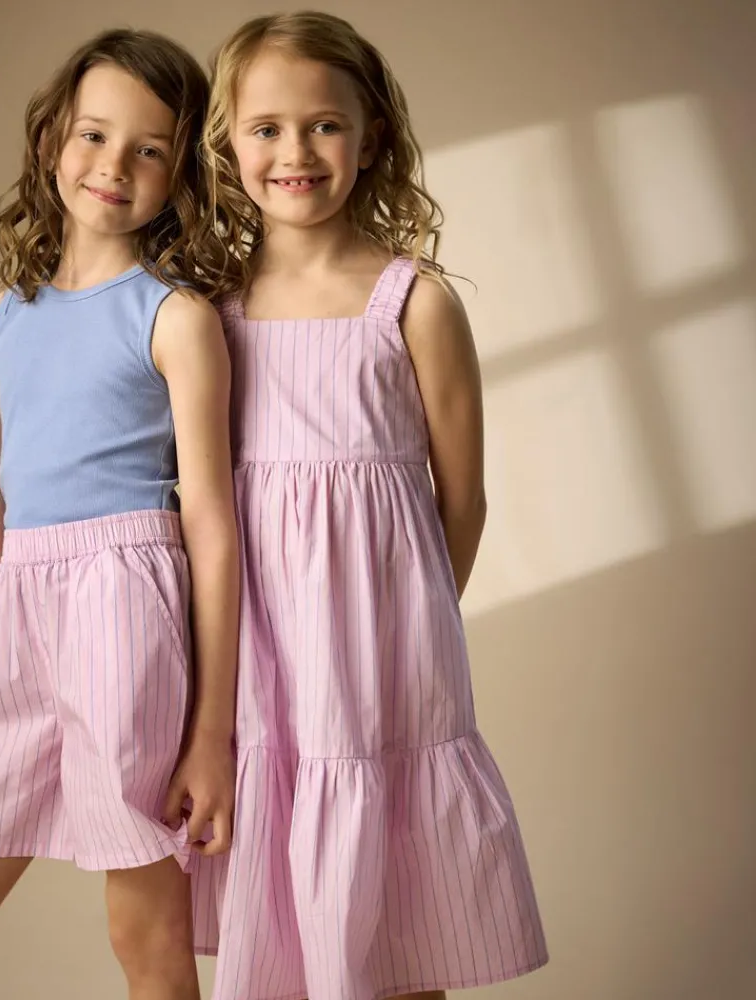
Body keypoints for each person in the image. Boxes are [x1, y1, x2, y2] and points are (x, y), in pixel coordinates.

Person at [187, 12, 548, 1000]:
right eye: (266, 129)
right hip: (263, 663)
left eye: (323, 125)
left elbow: (461, 499)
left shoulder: (414, 303)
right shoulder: (211, 314)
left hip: (385, 659)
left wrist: (404, 623)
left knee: (398, 927)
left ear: (370, 134)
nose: (295, 153)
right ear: (228, 143)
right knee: (291, 924)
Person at [0, 29, 238, 1000]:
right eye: (94, 135)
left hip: (123, 611)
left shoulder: (175, 319)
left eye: (149, 148)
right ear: (52, 140)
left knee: (144, 934)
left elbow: (213, 528)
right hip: (16, 614)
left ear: (181, 173)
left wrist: (210, 732)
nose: (113, 165)